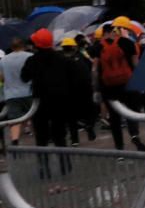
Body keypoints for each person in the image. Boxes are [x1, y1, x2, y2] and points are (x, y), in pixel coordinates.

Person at [21, 29, 73, 176]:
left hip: (40, 103)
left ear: (36, 44)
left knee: (41, 137)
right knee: (60, 135)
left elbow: (24, 77)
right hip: (59, 101)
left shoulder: (32, 60)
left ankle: (44, 168)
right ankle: (65, 165)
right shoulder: (62, 59)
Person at [93, 16, 145, 151]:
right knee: (131, 112)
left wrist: (96, 89)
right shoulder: (128, 43)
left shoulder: (98, 47)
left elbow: (94, 70)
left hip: (108, 88)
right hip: (128, 85)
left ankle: (119, 147)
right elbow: (136, 65)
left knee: (114, 118)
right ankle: (135, 135)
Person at [60, 37, 97, 145]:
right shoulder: (80, 56)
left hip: (69, 92)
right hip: (84, 90)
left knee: (71, 117)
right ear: (73, 47)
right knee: (89, 112)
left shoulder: (61, 59)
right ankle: (89, 126)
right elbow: (90, 65)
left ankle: (75, 139)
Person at [0, 38, 33, 146]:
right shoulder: (29, 56)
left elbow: (1, 77)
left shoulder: (3, 60)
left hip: (11, 94)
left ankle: (15, 139)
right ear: (23, 46)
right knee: (32, 114)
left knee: (14, 119)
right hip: (28, 91)